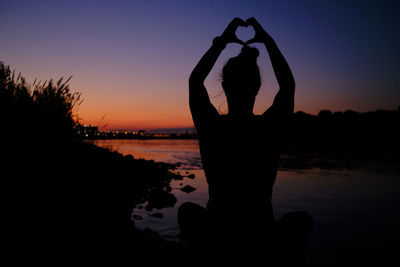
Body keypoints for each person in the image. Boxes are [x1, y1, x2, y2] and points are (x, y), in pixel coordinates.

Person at [178, 17, 312, 260]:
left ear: (225, 86)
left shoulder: (212, 126)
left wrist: (222, 41)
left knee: (187, 211)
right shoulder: (269, 126)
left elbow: (195, 80)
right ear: (258, 87)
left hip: (216, 232)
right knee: (301, 220)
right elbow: (288, 85)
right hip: (261, 234)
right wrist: (268, 41)